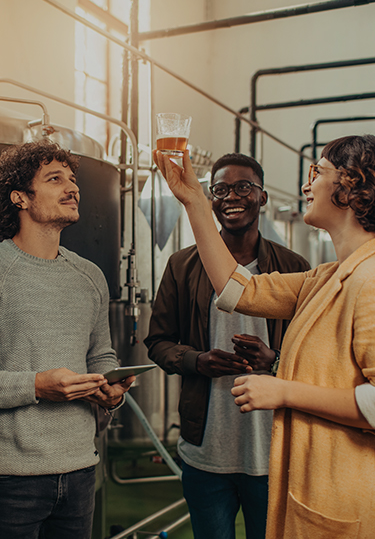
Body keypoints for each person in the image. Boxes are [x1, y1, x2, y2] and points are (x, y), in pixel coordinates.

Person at [155, 135, 375, 539]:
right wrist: (194, 201)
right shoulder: (325, 276)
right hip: (309, 485)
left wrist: (283, 391)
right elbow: (238, 289)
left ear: (351, 185)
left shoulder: (371, 278)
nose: (307, 187)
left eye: (317, 173)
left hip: (345, 493)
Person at [145, 153, 310, 539]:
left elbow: (312, 353)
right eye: (220, 189)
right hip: (206, 452)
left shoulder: (294, 266)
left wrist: (275, 359)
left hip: (272, 449)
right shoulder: (182, 265)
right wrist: (196, 360)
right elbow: (158, 341)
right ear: (211, 199)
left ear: (263, 197)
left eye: (243, 187)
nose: (231, 196)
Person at [0, 140, 135, 539]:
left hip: (79, 469)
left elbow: (101, 353)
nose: (72, 188)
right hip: (10, 477)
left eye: (73, 180)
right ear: (20, 197)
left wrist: (112, 387)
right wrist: (37, 386)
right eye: (54, 179)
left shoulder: (90, 275)